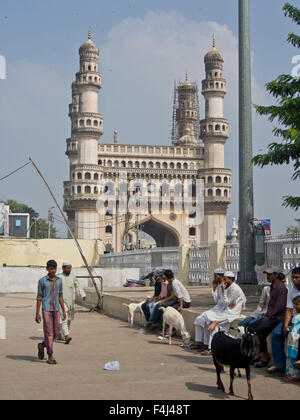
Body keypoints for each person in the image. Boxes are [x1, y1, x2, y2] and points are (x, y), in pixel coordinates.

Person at [192, 271, 246, 355]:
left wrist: (224, 292)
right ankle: (206, 344)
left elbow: (226, 303)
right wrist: (218, 290)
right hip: (224, 310)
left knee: (214, 325)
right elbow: (222, 302)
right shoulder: (223, 286)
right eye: (223, 279)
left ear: (231, 279)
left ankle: (211, 349)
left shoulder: (235, 289)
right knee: (205, 321)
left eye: (225, 279)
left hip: (232, 312)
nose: (223, 282)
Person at [250, 266, 288, 368]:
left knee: (261, 329)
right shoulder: (272, 287)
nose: (268, 276)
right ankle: (259, 352)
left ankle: (264, 355)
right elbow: (270, 305)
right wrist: (266, 315)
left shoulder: (280, 288)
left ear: (276, 275)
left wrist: (269, 316)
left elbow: (280, 307)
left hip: (278, 318)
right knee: (252, 326)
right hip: (271, 316)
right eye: (267, 274)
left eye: (270, 274)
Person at [268, 267, 300, 374]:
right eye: (293, 278)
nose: (294, 280)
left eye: (297, 278)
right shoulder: (291, 292)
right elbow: (289, 310)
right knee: (276, 332)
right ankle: (279, 363)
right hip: (294, 319)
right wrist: (286, 325)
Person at [36, 260, 66, 365]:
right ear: (47, 269)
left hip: (56, 309)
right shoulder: (42, 281)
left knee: (56, 333)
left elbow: (60, 296)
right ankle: (50, 355)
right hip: (46, 309)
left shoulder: (59, 281)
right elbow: (39, 297)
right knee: (49, 332)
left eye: (54, 268)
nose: (53, 271)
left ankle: (42, 345)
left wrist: (63, 310)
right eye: (51, 268)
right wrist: (37, 313)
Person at [57, 262, 87, 344]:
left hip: (71, 301)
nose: (69, 270)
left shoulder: (73, 277)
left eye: (70, 268)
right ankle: (67, 336)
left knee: (69, 319)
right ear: (63, 268)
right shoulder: (59, 277)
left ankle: (61, 334)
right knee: (64, 318)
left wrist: (83, 295)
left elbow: (77, 286)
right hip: (61, 302)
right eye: (67, 268)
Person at [284, 295, 300, 382]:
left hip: (296, 342)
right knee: (289, 357)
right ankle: (289, 373)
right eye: (294, 304)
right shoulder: (296, 316)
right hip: (291, 341)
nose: (295, 307)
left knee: (294, 357)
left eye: (297, 304)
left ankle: (295, 376)